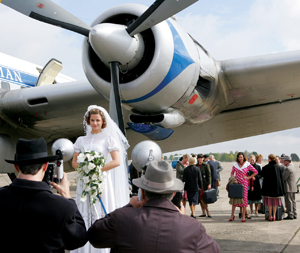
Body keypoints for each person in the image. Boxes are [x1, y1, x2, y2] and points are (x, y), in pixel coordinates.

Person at [88, 160, 220, 253]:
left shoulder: (122, 218)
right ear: (173, 194)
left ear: (142, 192)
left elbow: (94, 236)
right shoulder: (192, 227)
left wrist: (128, 206)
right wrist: (182, 219)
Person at [0, 138, 88, 252]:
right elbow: (78, 239)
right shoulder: (63, 206)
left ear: (16, 167)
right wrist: (68, 197)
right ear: (45, 166)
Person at [72, 105, 129, 253]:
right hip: (84, 182)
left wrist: (96, 170)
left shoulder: (108, 139)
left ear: (103, 121)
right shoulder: (80, 140)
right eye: (92, 120)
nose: (95, 123)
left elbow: (116, 161)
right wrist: (85, 170)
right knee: (83, 210)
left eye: (97, 120)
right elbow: (74, 162)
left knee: (99, 210)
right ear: (88, 121)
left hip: (101, 181)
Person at [230, 152, 258, 222]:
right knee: (235, 199)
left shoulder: (247, 164)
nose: (240, 158)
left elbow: (256, 172)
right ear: (237, 158)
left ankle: (243, 215)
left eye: (241, 157)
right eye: (239, 157)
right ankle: (232, 215)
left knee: (244, 199)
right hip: (236, 183)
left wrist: (249, 177)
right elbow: (232, 173)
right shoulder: (235, 164)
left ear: (244, 157)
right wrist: (234, 179)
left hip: (244, 183)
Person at [261, 154, 286, 221]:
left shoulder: (265, 167)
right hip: (276, 189)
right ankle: (274, 215)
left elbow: (261, 175)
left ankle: (270, 215)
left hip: (268, 189)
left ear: (269, 159)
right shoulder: (279, 168)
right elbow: (281, 179)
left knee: (269, 203)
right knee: (275, 203)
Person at [197, 153, 212, 218]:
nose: (200, 159)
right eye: (199, 158)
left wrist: (209, 183)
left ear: (203, 158)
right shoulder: (196, 166)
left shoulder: (206, 165)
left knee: (203, 199)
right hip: (197, 185)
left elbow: (209, 175)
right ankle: (203, 212)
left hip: (204, 184)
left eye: (201, 158)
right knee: (200, 199)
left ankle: (208, 212)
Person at [282, 155, 297, 220]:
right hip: (293, 187)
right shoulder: (293, 167)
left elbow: (283, 177)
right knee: (293, 201)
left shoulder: (287, 168)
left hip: (288, 187)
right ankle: (294, 213)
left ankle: (290, 214)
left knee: (289, 201)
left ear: (287, 161)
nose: (283, 162)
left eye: (284, 161)